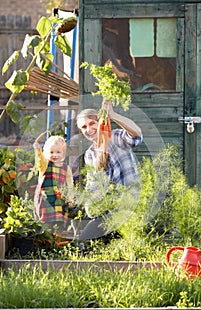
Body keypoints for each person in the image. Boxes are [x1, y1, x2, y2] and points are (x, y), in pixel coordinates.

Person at [76, 99, 143, 240]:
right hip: (109, 210)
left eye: (92, 123)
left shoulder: (116, 137)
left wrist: (112, 115)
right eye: (84, 127)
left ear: (99, 121)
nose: (88, 130)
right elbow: (92, 185)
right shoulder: (90, 154)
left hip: (130, 203)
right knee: (84, 241)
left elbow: (136, 134)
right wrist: (91, 203)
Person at [33, 135, 74, 234]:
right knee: (46, 223)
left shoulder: (66, 168)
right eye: (51, 152)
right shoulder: (45, 165)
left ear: (63, 153)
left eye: (58, 152)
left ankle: (58, 240)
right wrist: (38, 151)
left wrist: (70, 198)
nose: (54, 155)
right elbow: (40, 160)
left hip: (59, 200)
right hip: (46, 199)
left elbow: (70, 184)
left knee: (59, 222)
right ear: (46, 153)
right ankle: (47, 239)